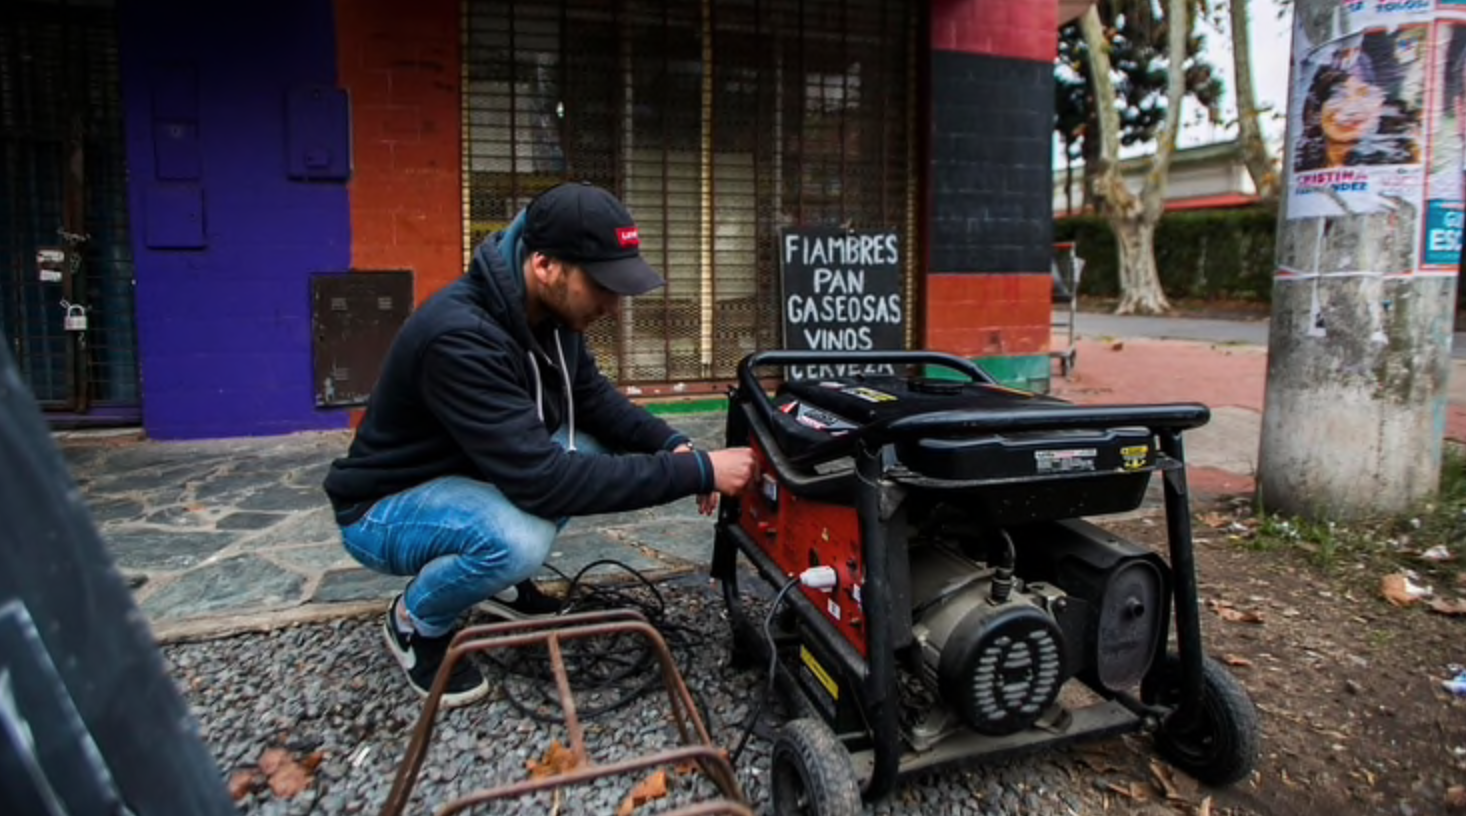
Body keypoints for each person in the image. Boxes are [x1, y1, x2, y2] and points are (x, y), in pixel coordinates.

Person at [322, 181, 756, 707]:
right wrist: (702, 472)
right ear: (545, 265)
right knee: (518, 539)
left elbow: (594, 400)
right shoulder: (460, 337)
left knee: (590, 440)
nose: (613, 305)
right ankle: (415, 621)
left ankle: (496, 583)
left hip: (467, 477)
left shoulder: (550, 313)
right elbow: (545, 483)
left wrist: (675, 444)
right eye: (601, 285)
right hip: (385, 509)